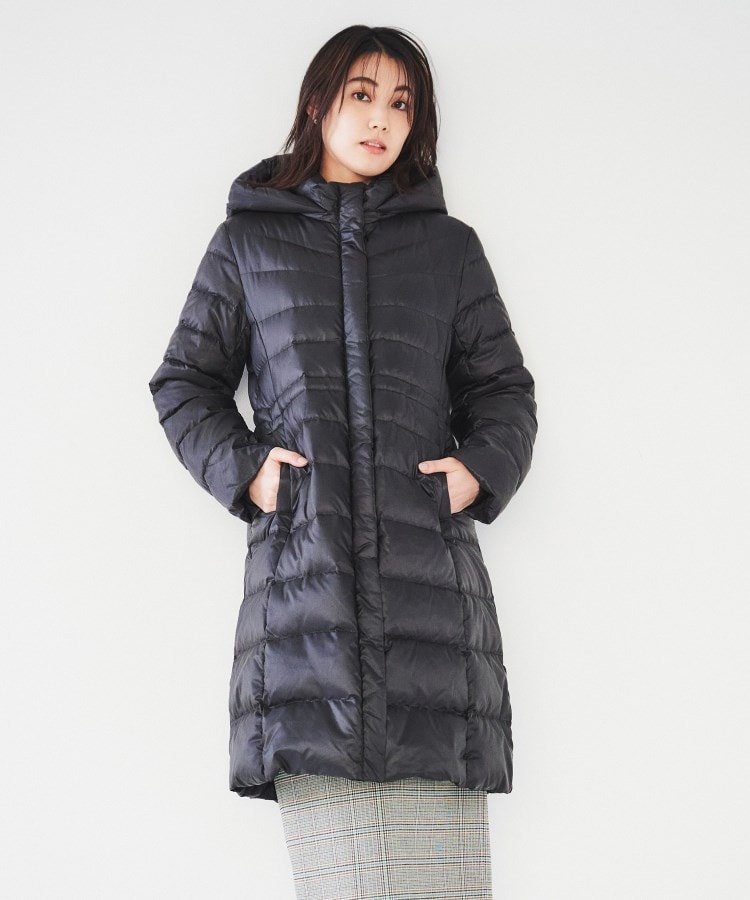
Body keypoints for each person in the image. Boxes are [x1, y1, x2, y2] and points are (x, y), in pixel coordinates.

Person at [148, 23, 537, 900]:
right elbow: (184, 382)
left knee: (450, 887)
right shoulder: (247, 245)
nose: (381, 119)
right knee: (344, 883)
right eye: (362, 94)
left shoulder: (449, 249)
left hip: (432, 609)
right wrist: (251, 472)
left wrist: (477, 472)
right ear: (319, 103)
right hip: (306, 608)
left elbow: (504, 391)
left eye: (401, 103)